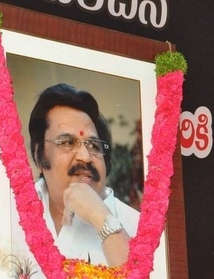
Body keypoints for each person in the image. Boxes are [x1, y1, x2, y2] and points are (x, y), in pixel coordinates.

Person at [28, 83, 139, 267]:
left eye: (94, 146)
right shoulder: (10, 213)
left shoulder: (137, 227)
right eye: (67, 142)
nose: (86, 157)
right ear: (40, 156)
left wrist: (101, 218)